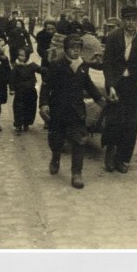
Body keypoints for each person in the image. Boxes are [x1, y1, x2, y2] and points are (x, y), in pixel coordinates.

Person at [39, 32, 105, 190]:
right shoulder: (56, 64)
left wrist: (99, 99)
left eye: (78, 48)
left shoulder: (83, 65)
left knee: (79, 140)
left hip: (76, 110)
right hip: (58, 109)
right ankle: (55, 158)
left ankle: (77, 173)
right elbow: (46, 85)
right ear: (65, 49)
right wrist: (43, 104)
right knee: (56, 139)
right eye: (72, 48)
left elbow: (87, 84)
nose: (76, 51)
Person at [101, 5, 137, 174]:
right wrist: (110, 85)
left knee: (131, 123)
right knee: (114, 120)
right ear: (122, 21)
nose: (131, 23)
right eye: (128, 19)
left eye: (134, 20)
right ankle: (110, 154)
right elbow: (107, 63)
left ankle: (123, 159)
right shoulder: (113, 37)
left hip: (134, 86)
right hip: (117, 84)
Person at [9, 48, 41, 133]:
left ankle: (26, 123)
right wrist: (12, 89)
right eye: (19, 55)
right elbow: (11, 78)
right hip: (20, 91)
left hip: (30, 91)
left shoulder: (32, 65)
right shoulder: (16, 66)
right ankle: (18, 125)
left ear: (27, 56)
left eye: (22, 55)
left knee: (30, 107)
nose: (20, 57)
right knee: (18, 107)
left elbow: (40, 70)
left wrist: (48, 69)